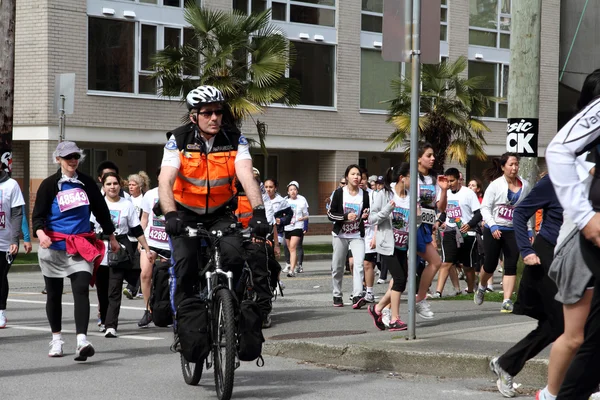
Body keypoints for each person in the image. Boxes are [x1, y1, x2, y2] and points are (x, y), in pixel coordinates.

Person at [158, 85, 271, 328]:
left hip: (220, 213)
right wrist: (170, 214)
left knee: (235, 256)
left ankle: (229, 311)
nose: (214, 118)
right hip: (185, 213)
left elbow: (245, 175)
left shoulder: (233, 139)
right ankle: (184, 323)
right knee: (185, 264)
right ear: (193, 117)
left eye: (218, 112)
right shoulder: (178, 140)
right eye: (207, 113)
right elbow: (165, 180)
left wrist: (259, 212)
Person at [32, 141, 119, 361]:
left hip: (80, 246)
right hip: (53, 246)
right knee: (54, 294)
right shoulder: (49, 184)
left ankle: (82, 341)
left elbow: (101, 211)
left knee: (81, 287)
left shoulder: (86, 183)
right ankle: (57, 339)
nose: (72, 161)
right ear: (58, 159)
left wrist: (111, 236)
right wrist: (41, 234)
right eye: (67, 157)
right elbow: (38, 215)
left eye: (75, 157)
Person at [545, 68, 600, 400]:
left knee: (590, 337)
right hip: (577, 248)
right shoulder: (578, 154)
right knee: (577, 336)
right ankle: (551, 394)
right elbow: (525, 208)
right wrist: (587, 220)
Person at [488, 173, 565, 398]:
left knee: (559, 325)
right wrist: (526, 250)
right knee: (562, 323)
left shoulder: (591, 180)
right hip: (546, 257)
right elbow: (520, 213)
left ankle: (506, 364)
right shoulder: (554, 181)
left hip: (576, 259)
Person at [93, 172, 153, 338]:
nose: (112, 187)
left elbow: (136, 229)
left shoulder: (126, 205)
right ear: (103, 187)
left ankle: (112, 325)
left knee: (115, 290)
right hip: (100, 252)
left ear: (120, 185)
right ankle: (104, 320)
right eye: (109, 184)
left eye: (115, 183)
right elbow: (89, 227)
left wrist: (146, 248)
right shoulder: (98, 204)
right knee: (102, 292)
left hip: (119, 251)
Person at [476, 153, 531, 312]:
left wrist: (528, 229)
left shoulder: (525, 185)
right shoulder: (495, 185)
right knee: (490, 264)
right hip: (495, 229)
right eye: (511, 165)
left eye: (516, 164)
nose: (514, 168)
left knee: (511, 264)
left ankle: (506, 300)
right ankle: (482, 285)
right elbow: (485, 208)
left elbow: (525, 210)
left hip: (513, 230)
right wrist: (492, 226)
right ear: (502, 167)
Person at [367, 163, 411, 331]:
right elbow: (372, 219)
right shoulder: (385, 194)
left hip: (403, 245)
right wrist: (387, 209)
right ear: (402, 178)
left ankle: (377, 309)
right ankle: (394, 319)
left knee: (401, 281)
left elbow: (414, 222)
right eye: (411, 178)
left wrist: (419, 215)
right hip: (388, 245)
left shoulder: (410, 196)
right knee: (399, 279)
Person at [413, 142, 449, 319]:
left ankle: (419, 299)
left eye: (433, 155)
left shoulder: (434, 179)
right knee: (405, 271)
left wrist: (443, 191)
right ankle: (386, 307)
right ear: (418, 158)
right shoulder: (411, 176)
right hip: (412, 226)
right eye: (428, 155)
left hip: (426, 227)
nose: (433, 158)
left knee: (435, 262)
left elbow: (440, 207)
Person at [328, 164, 370, 308]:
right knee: (338, 266)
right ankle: (337, 294)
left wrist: (365, 215)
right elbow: (330, 214)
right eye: (353, 174)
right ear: (347, 177)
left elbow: (366, 211)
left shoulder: (364, 194)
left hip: (357, 234)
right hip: (340, 234)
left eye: (358, 174)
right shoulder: (339, 193)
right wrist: (345, 216)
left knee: (358, 264)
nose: (356, 177)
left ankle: (357, 295)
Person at [435, 168, 481, 296]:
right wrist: (438, 222)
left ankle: (471, 289)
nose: (449, 184)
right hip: (450, 231)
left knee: (467, 265)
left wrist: (469, 225)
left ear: (459, 180)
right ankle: (438, 292)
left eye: (452, 181)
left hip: (467, 233)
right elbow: (444, 211)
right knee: (446, 262)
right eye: (447, 181)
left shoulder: (468, 193)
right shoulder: (444, 192)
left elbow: (478, 214)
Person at [138, 168, 172, 328]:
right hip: (151, 241)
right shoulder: (150, 194)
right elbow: (144, 218)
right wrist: (140, 240)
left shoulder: (177, 193)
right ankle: (148, 309)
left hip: (170, 242)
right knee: (145, 273)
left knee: (166, 278)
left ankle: (166, 309)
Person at [0, 168, 25, 329]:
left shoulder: (11, 185)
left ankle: (1, 311)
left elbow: (17, 214)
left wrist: (15, 239)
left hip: (4, 241)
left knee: (0, 277)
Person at [122, 171, 150, 300]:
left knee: (138, 264)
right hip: (127, 236)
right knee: (129, 263)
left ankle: (132, 288)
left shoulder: (145, 198)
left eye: (133, 185)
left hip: (140, 237)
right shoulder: (126, 199)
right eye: (130, 185)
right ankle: (133, 287)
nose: (131, 187)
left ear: (140, 186)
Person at [283, 181, 309, 277]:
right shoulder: (285, 202)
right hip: (287, 227)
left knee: (293, 247)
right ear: (288, 192)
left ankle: (292, 270)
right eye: (291, 190)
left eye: (294, 189)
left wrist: (303, 219)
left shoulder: (301, 201)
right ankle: (293, 264)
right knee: (290, 248)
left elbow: (307, 215)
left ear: (297, 191)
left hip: (297, 226)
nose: (293, 191)